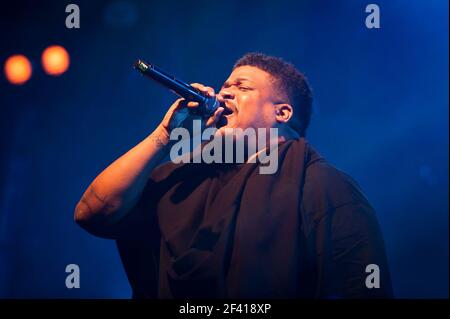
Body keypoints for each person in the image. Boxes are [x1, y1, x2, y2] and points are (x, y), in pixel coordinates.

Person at [74, 53, 393, 299]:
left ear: (281, 113)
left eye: (241, 87)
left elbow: (358, 285)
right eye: (224, 86)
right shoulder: (183, 180)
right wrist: (163, 136)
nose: (223, 94)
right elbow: (92, 213)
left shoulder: (324, 186)